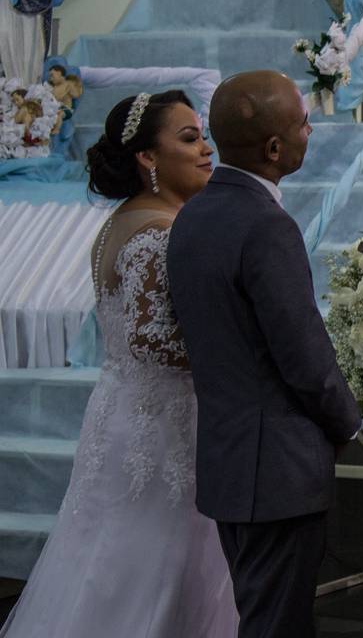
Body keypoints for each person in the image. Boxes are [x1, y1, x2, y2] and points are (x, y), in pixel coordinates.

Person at [0, 91, 238, 637]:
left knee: (105, 555)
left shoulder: (120, 221)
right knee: (153, 562)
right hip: (163, 428)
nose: (206, 149)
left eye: (203, 136)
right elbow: (153, 339)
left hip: (124, 412)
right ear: (147, 159)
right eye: (189, 138)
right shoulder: (160, 231)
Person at [167, 70, 362, 638]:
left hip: (231, 461)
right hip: (277, 472)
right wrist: (347, 420)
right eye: (303, 123)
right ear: (275, 148)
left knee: (260, 615)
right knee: (277, 625)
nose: (310, 131)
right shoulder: (266, 225)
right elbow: (302, 356)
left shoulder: (193, 216)